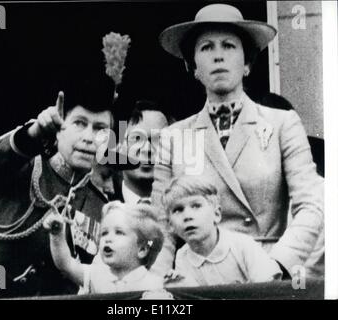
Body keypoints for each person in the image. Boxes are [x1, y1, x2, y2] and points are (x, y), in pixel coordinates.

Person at [152, 4, 324, 279]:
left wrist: (277, 266)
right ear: (193, 67)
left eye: (229, 46)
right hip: (198, 278)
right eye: (206, 47)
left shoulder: (282, 123)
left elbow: (311, 206)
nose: (218, 56)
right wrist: (158, 281)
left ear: (247, 63)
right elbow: (161, 226)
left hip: (265, 275)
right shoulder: (173, 137)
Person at [0, 75, 117, 298]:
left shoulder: (100, 207)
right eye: (79, 123)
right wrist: (34, 133)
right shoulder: (22, 169)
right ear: (59, 128)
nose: (89, 137)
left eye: (99, 128)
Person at [163, 175, 282, 286]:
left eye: (196, 206)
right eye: (178, 210)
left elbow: (269, 287)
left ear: (216, 214)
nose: (187, 216)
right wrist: (179, 285)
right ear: (170, 225)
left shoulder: (243, 245)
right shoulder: (182, 257)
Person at [43, 201, 164, 294]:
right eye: (104, 233)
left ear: (142, 250)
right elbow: (66, 265)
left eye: (119, 232)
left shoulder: (153, 284)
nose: (108, 238)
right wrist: (57, 235)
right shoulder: (97, 275)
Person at [114, 100, 169, 204]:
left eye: (158, 140)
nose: (147, 150)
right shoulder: (96, 204)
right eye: (137, 139)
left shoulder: (183, 206)